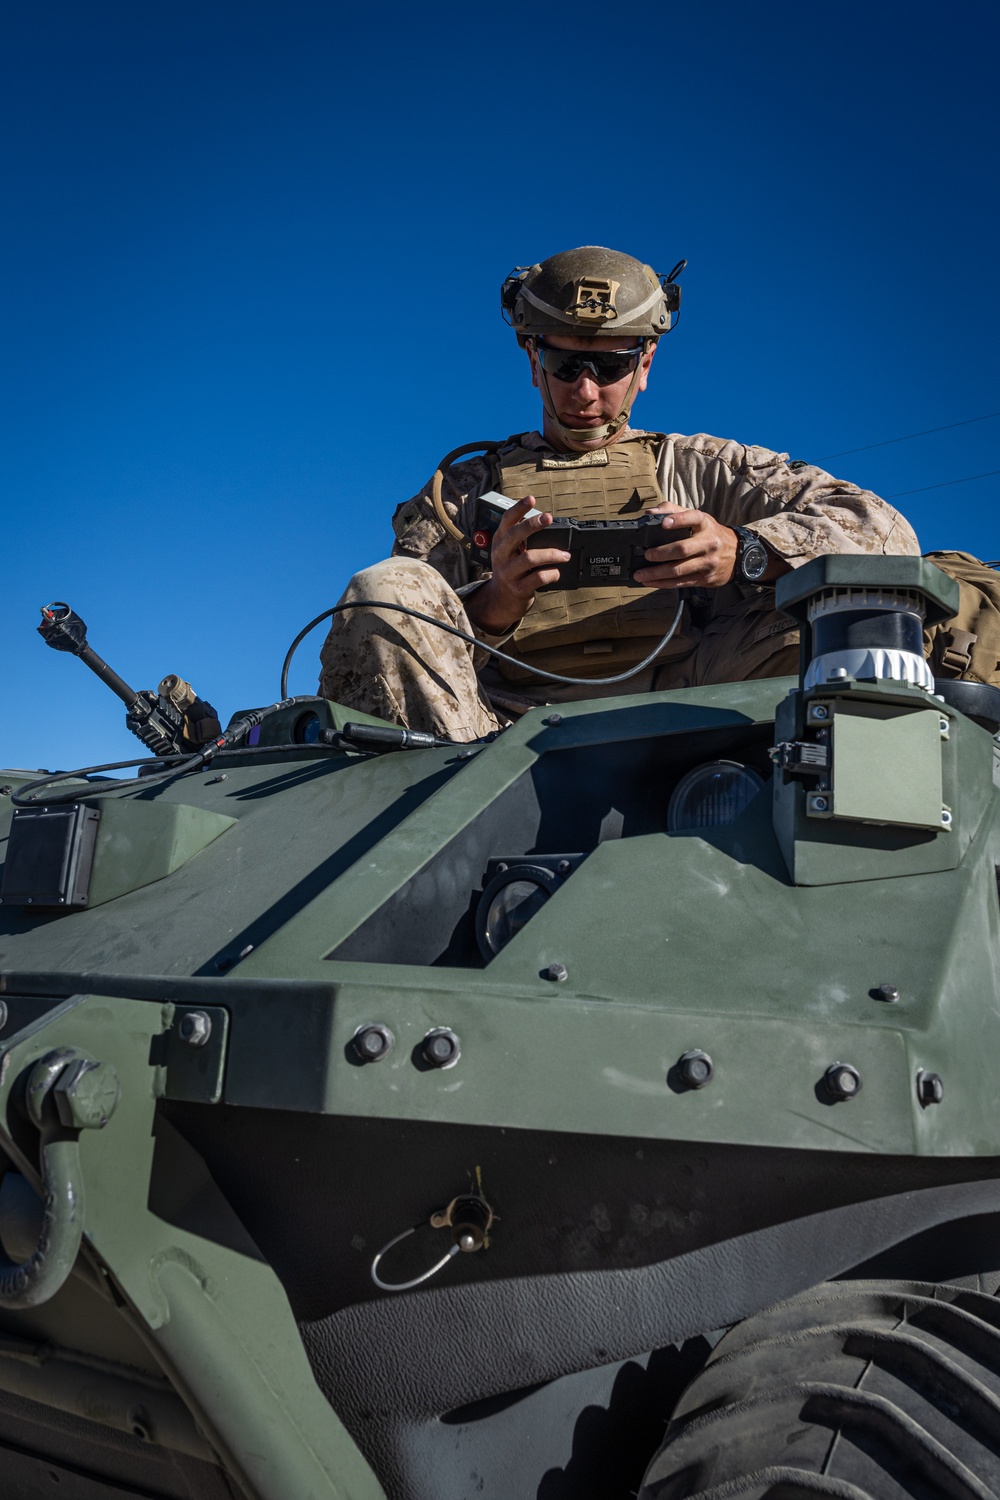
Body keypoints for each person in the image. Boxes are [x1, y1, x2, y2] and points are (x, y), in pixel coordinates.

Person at [319, 246, 920, 740]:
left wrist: (744, 551)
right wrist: (498, 601)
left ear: (646, 363)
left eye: (608, 368)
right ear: (533, 360)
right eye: (564, 365)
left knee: (854, 604)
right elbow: (401, 632)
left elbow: (885, 530)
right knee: (384, 592)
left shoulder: (703, 467)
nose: (585, 392)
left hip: (689, 704)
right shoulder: (459, 497)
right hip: (490, 730)